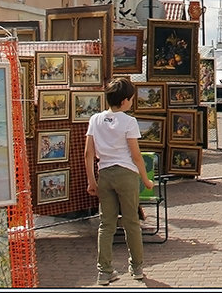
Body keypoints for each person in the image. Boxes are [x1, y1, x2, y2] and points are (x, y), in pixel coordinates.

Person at [84, 77, 153, 285]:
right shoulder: (129, 122)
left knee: (106, 224)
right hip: (126, 174)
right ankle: (137, 267)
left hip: (104, 173)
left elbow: (88, 153)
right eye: (131, 99)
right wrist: (146, 179)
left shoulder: (95, 119)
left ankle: (104, 271)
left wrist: (91, 181)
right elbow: (136, 155)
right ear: (124, 101)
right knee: (131, 222)